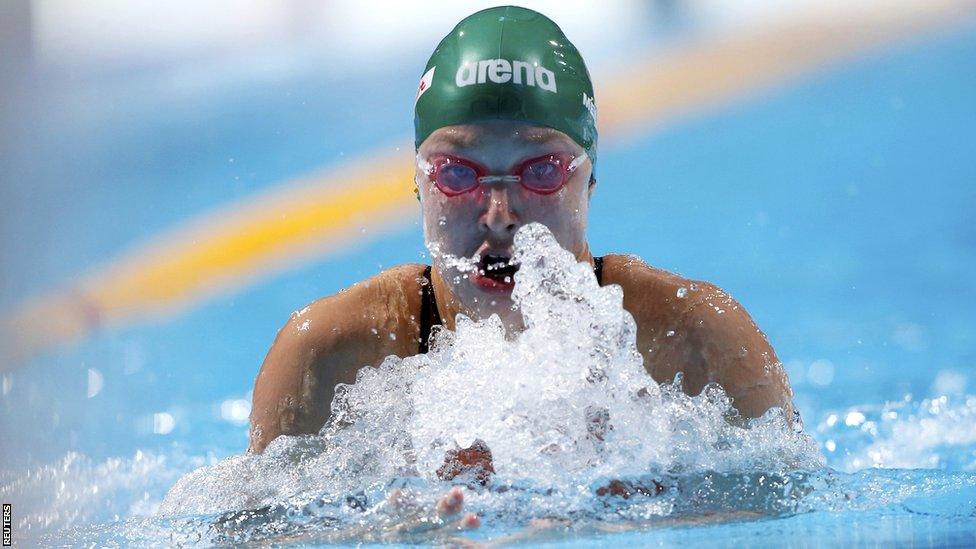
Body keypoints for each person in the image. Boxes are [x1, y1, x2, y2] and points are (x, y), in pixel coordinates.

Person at [247, 5, 795, 528]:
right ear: (418, 183)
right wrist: (396, 534)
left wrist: (628, 517)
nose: (500, 216)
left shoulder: (693, 337)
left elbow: (790, 511)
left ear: (590, 177)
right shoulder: (331, 353)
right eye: (458, 174)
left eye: (541, 170)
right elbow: (256, 533)